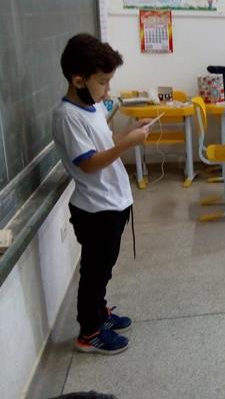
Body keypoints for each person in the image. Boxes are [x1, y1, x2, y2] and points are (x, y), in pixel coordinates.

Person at [52, 33, 151, 354]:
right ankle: (89, 332)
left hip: (112, 203)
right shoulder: (67, 116)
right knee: (94, 272)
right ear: (78, 80)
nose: (107, 91)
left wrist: (128, 133)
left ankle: (100, 312)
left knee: (104, 268)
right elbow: (90, 163)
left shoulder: (92, 106)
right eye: (103, 82)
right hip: (95, 210)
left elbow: (104, 146)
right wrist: (127, 144)